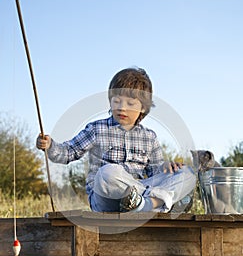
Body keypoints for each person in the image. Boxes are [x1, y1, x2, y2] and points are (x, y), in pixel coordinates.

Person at [36, 67, 196, 213]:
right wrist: (50, 146)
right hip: (106, 198)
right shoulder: (97, 129)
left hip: (141, 190)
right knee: (108, 172)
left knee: (188, 173)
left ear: (143, 108)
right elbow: (68, 152)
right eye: (117, 101)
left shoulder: (150, 137)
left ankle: (145, 204)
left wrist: (165, 167)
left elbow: (154, 172)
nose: (122, 108)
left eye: (130, 103)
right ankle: (154, 204)